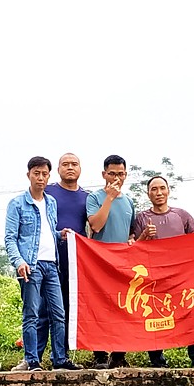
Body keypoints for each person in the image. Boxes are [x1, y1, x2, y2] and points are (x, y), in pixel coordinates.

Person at [3, 156, 80, 372]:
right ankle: (32, 360)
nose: (40, 178)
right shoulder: (18, 203)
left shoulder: (51, 202)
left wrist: (60, 234)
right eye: (36, 173)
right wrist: (19, 262)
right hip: (30, 266)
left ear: (49, 176)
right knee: (32, 314)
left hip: (52, 265)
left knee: (58, 313)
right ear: (28, 175)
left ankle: (59, 359)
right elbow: (10, 238)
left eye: (44, 174)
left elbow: (46, 233)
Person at [129, 176, 194, 367]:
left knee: (190, 311)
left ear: (168, 190)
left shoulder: (181, 215)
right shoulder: (141, 218)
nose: (159, 193)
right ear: (148, 193)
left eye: (162, 188)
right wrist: (145, 236)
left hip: (181, 275)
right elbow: (133, 249)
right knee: (154, 315)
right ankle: (157, 359)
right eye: (154, 189)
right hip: (154, 276)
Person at [84, 154, 134, 368]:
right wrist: (109, 198)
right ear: (104, 174)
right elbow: (96, 225)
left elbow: (130, 232)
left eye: (120, 174)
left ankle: (119, 354)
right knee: (99, 307)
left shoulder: (129, 201)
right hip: (99, 262)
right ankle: (99, 354)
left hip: (122, 263)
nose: (116, 178)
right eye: (112, 173)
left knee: (122, 307)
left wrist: (134, 240)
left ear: (126, 175)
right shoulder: (94, 197)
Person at [40, 153, 90, 367]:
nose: (70, 168)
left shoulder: (88, 197)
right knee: (42, 310)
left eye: (74, 164)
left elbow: (96, 227)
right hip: (48, 259)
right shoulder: (47, 192)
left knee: (67, 310)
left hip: (76, 262)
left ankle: (61, 356)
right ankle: (33, 357)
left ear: (80, 169)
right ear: (57, 170)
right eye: (65, 164)